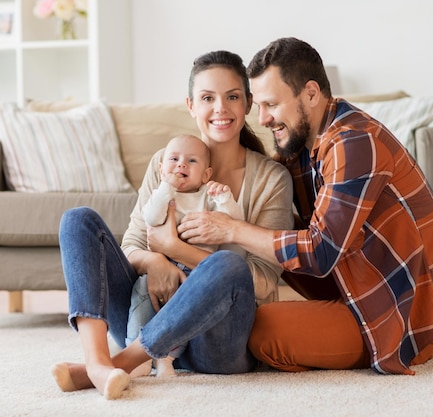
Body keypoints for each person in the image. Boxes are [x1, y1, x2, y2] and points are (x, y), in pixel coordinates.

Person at [176, 37, 433, 375]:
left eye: (271, 104)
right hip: (352, 287)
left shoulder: (355, 142)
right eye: (257, 106)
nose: (263, 118)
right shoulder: (302, 144)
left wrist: (230, 228)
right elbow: (267, 200)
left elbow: (320, 251)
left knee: (260, 329)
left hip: (396, 314)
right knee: (276, 233)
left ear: (311, 94)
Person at [51, 50, 294, 399]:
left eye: (233, 97)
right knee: (78, 221)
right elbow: (132, 245)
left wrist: (176, 249)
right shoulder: (165, 162)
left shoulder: (272, 179)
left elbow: (262, 281)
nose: (220, 109)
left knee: (227, 263)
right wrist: (155, 261)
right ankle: (97, 363)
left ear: (248, 104)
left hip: (216, 345)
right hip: (149, 313)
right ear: (191, 105)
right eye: (207, 98)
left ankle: (123, 360)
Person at [127, 133, 243, 378]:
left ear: (206, 174)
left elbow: (233, 225)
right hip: (159, 269)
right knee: (141, 294)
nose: (181, 165)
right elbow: (151, 217)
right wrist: (165, 187)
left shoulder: (207, 196)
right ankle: (134, 351)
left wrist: (225, 199)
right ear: (161, 168)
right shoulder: (163, 194)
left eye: (191, 161)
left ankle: (166, 358)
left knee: (186, 310)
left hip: (197, 272)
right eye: (174, 159)